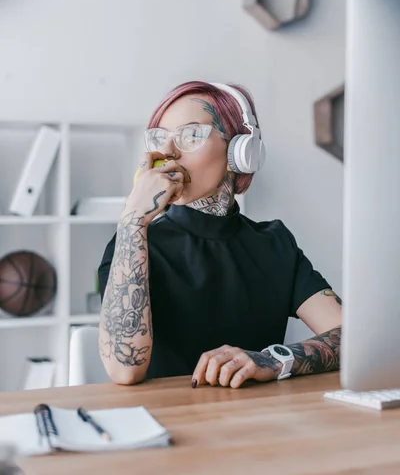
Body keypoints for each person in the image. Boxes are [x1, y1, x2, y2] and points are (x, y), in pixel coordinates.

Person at [98, 81, 342, 388]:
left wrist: (273, 359)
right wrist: (133, 220)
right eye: (160, 139)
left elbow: (352, 337)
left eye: (190, 135)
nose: (169, 153)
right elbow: (124, 370)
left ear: (241, 151)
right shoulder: (136, 242)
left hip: (255, 424)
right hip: (166, 423)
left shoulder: (275, 243)